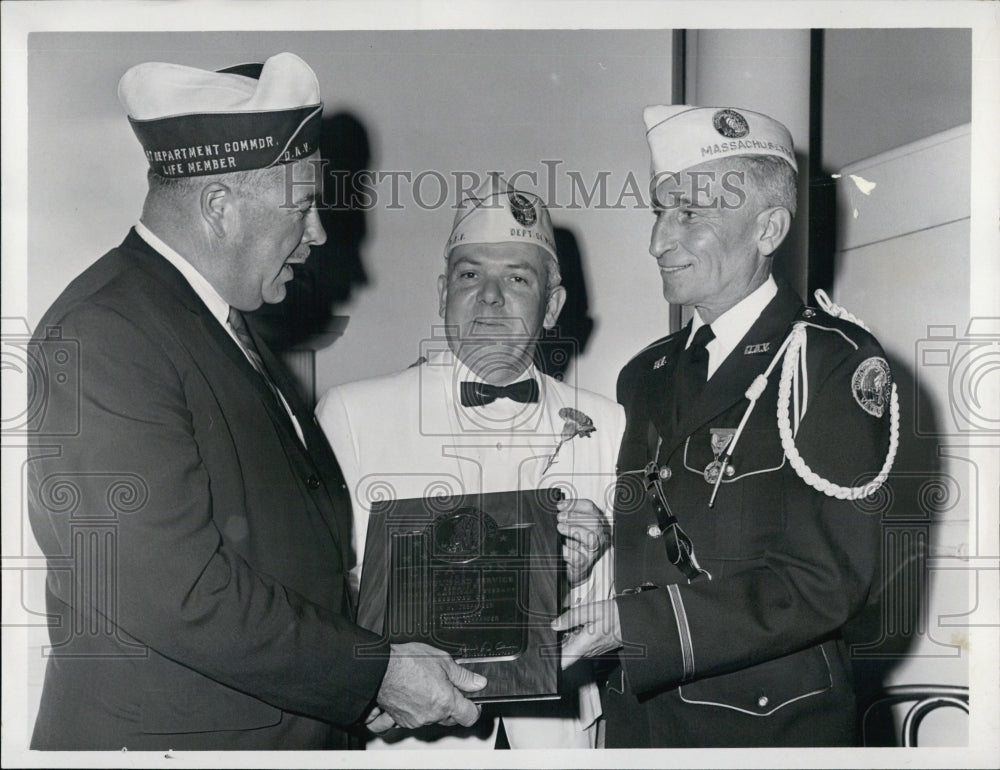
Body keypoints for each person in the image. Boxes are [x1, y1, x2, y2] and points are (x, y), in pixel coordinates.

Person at [26, 52, 486, 751]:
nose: (320, 234)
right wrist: (371, 673)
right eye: (303, 206)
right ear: (218, 207)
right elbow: (172, 589)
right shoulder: (103, 335)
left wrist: (363, 676)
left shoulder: (212, 325)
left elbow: (284, 556)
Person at [553, 105, 898, 747]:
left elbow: (824, 582)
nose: (659, 241)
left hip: (769, 729)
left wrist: (638, 625)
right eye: (660, 213)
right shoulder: (645, 375)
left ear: (768, 229)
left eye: (689, 214)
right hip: (643, 725)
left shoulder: (829, 361)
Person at [315, 176, 626, 749]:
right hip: (412, 740)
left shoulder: (609, 423)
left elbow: (627, 603)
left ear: (552, 306)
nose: (489, 297)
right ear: (442, 293)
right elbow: (321, 594)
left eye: (517, 277)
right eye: (469, 274)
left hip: (557, 739)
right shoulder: (351, 414)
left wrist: (583, 572)